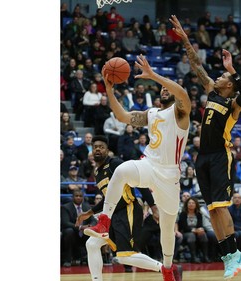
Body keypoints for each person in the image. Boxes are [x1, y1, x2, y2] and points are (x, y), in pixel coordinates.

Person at [84, 53, 191, 281]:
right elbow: (122, 116)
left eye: (167, 88)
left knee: (167, 226)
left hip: (170, 175)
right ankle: (104, 221)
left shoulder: (181, 113)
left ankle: (168, 268)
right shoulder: (151, 114)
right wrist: (109, 89)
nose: (164, 90)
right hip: (149, 165)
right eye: (161, 88)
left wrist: (154, 75)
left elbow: (182, 93)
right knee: (121, 170)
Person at [170, 15, 241, 279]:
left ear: (229, 84)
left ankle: (235, 253)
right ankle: (228, 256)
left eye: (223, 75)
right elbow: (196, 65)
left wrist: (234, 70)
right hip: (202, 157)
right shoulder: (212, 91)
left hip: (219, 156)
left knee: (222, 206)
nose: (217, 76)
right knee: (213, 209)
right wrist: (184, 38)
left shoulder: (233, 105)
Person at [75, 136, 182, 281]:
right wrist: (88, 213)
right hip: (112, 215)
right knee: (92, 244)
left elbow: (140, 183)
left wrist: (152, 206)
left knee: (125, 257)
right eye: (95, 147)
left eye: (101, 147)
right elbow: (108, 198)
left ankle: (167, 269)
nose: (98, 149)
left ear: (107, 150)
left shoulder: (115, 163)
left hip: (128, 209)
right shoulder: (97, 173)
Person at [61, 189, 97, 267]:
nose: (78, 198)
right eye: (76, 196)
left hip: (84, 232)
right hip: (73, 232)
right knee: (68, 231)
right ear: (72, 197)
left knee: (91, 231)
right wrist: (80, 227)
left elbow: (93, 220)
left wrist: (90, 226)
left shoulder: (87, 206)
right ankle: (67, 260)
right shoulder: (65, 207)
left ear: (83, 198)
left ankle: (89, 259)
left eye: (80, 196)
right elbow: (65, 222)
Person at [176, 197, 210, 263]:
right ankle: (193, 257)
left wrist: (200, 230)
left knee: (203, 234)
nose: (191, 204)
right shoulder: (183, 214)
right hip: (186, 233)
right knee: (191, 236)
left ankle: (205, 256)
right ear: (187, 204)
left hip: (196, 232)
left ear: (196, 204)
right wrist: (194, 230)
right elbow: (183, 227)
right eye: (189, 203)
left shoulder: (199, 214)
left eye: (193, 203)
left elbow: (200, 225)